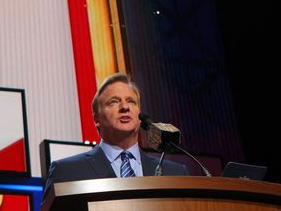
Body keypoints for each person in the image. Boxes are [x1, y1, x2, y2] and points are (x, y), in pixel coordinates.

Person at [45, 73, 188, 187]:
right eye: (114, 102)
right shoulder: (67, 172)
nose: (125, 107)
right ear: (96, 120)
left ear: (139, 114)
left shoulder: (176, 173)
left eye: (131, 101)